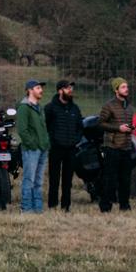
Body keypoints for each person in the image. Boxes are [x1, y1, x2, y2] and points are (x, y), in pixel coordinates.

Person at [94, 79, 136, 212]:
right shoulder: (109, 106)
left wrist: (131, 128)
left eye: (127, 86)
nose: (126, 89)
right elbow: (100, 124)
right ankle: (105, 206)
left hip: (126, 147)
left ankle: (125, 205)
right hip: (112, 148)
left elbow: (126, 125)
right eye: (123, 87)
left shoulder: (129, 107)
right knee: (109, 179)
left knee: (125, 179)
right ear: (116, 90)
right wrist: (118, 128)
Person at [45, 79, 83, 211]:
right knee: (54, 179)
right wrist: (52, 141)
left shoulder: (75, 108)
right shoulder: (50, 108)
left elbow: (80, 127)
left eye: (71, 88)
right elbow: (45, 127)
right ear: (60, 91)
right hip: (55, 149)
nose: (71, 91)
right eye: (67, 88)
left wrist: (76, 140)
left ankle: (66, 206)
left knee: (68, 180)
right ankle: (52, 205)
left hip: (71, 149)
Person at [17, 80, 50, 213]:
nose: (41, 90)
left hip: (42, 149)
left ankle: (37, 208)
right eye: (38, 88)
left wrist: (46, 143)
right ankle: (26, 208)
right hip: (31, 150)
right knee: (29, 179)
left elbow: (43, 128)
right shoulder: (24, 108)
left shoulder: (39, 108)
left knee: (39, 181)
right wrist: (32, 144)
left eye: (41, 88)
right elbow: (22, 130)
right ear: (30, 90)